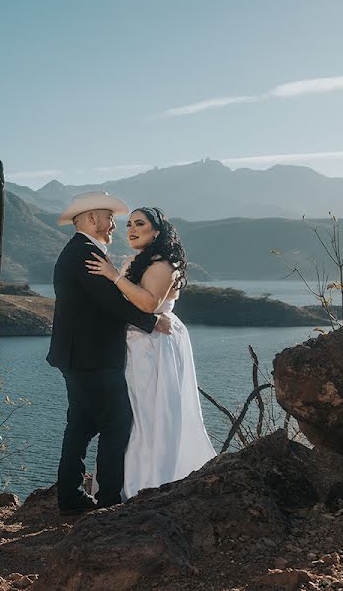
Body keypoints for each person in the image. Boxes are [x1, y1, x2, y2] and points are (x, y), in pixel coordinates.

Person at [47, 191, 172, 516]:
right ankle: (108, 503)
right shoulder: (84, 253)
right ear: (91, 218)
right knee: (117, 423)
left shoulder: (80, 251)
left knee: (81, 425)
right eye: (109, 217)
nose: (114, 224)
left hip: (80, 355)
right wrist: (151, 321)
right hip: (92, 357)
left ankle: (71, 498)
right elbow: (110, 302)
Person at [85, 207, 216, 500]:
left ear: (156, 232)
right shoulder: (139, 260)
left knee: (148, 414)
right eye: (129, 224)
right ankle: (122, 486)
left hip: (154, 345)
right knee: (131, 415)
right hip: (138, 341)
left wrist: (113, 276)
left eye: (139, 224)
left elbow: (147, 303)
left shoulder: (162, 266)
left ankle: (148, 486)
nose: (131, 229)